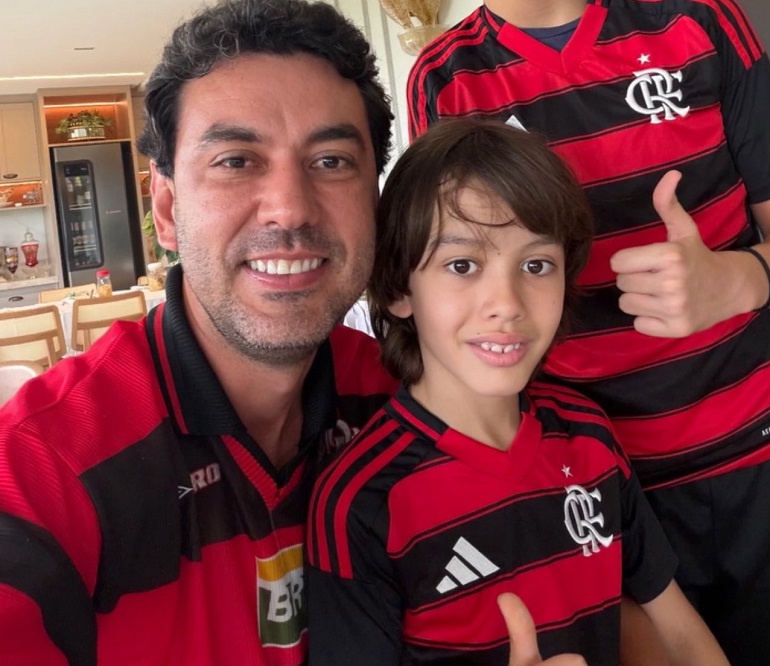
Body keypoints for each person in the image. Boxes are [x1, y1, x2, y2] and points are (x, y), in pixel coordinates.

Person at [0, 1, 398, 664]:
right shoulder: (46, 468)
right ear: (165, 207)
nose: (290, 209)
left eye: (330, 161)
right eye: (236, 161)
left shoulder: (408, 400)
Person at [407, 1, 770, 662]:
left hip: (754, 448)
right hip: (591, 489)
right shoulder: (445, 79)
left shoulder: (701, 19)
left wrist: (738, 279)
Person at [306, 118, 728, 665]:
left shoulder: (588, 435)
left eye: (536, 265)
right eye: (462, 265)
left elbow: (678, 632)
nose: (507, 303)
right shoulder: (359, 503)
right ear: (397, 288)